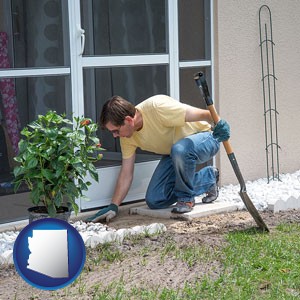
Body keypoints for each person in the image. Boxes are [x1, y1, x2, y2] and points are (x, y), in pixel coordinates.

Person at [86, 94, 230, 222]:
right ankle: (208, 178)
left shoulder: (157, 107)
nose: (115, 136)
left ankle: (186, 199)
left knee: (179, 149)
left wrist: (220, 124)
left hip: (205, 138)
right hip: (175, 153)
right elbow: (126, 174)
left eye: (116, 131)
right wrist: (113, 206)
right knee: (155, 199)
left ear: (129, 120)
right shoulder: (127, 137)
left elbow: (203, 113)